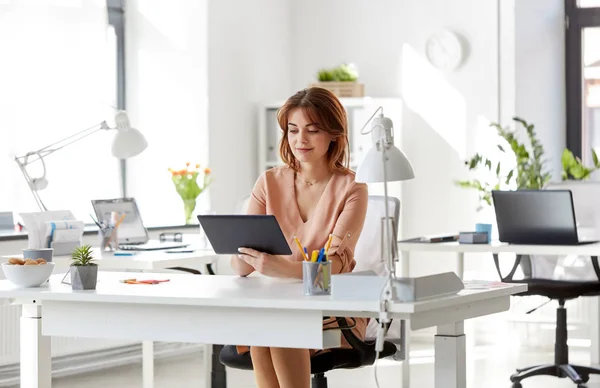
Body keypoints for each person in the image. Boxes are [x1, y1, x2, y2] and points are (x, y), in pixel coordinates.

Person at [230, 87, 369, 388]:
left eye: (312, 130)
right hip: (275, 306)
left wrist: (281, 269)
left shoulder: (353, 189)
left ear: (334, 134)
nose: (300, 140)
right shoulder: (268, 182)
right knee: (268, 328)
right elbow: (241, 266)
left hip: (336, 320)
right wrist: (244, 255)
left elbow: (331, 271)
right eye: (293, 130)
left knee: (279, 328)